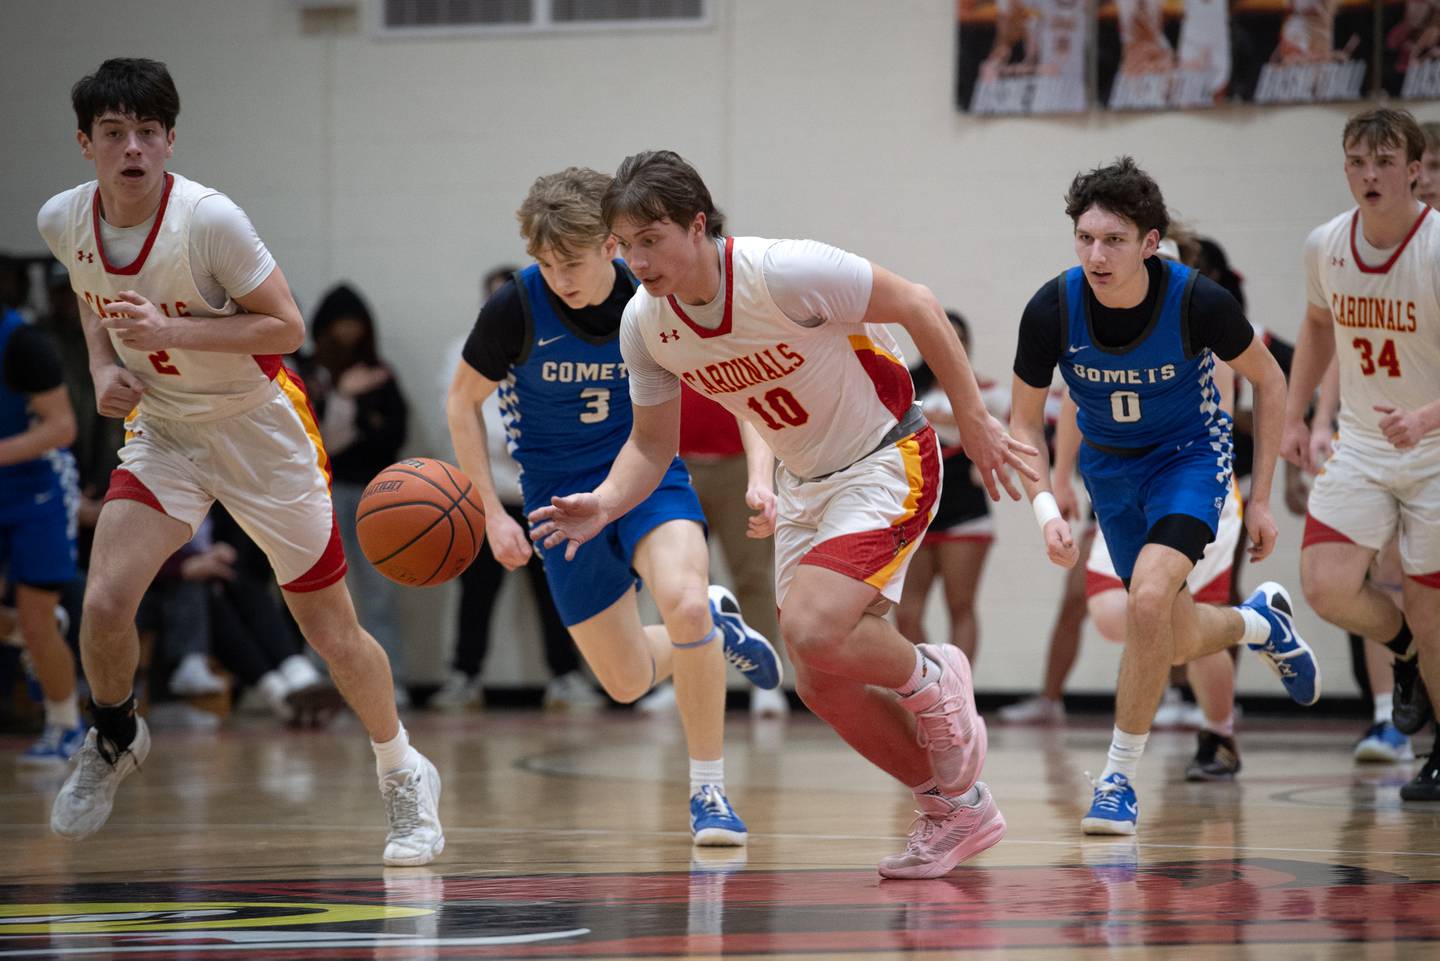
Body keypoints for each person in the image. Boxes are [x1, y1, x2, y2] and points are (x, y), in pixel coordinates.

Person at [530, 150, 1037, 879]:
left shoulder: (784, 271)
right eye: (626, 244)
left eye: (652, 239)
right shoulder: (645, 324)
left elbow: (921, 304)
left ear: (697, 226)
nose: (637, 259)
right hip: (805, 483)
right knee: (818, 677)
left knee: (810, 626)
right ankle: (953, 808)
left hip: (884, 454)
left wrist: (977, 424)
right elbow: (650, 444)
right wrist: (605, 502)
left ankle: (932, 674)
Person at [36, 58, 441, 864]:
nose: (133, 149)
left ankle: (402, 767)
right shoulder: (63, 219)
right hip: (167, 431)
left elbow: (287, 327)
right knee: (107, 599)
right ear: (86, 144)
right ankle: (115, 734)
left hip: (262, 431)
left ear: (170, 138)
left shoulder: (209, 221)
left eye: (148, 132)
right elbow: (92, 299)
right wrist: (104, 368)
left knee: (331, 632)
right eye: (114, 133)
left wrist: (170, 334)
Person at [445, 166, 781, 846]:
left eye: (569, 260)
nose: (557, 275)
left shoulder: (651, 293)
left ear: (609, 245)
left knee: (682, 601)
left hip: (647, 475)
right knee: (625, 681)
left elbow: (743, 377)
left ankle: (709, 791)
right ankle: (715, 627)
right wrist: (491, 511)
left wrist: (762, 473)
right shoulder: (516, 307)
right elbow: (461, 401)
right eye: (544, 261)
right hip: (557, 500)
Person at [1009, 156, 1320, 837]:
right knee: (1165, 628)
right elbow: (1025, 420)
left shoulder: (1197, 300)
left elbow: (1270, 383)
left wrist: (1261, 497)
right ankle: (1259, 624)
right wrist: (1046, 506)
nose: (1097, 253)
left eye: (1114, 239)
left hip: (1189, 462)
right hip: (1111, 475)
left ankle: (1117, 779)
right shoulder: (1053, 308)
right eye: (1086, 237)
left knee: (1148, 598)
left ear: (1151, 242)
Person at [1279, 108, 1440, 801]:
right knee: (1324, 583)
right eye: (1356, 161)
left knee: (1436, 613)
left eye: (1383, 162)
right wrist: (1297, 414)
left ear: (1415, 169)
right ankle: (1405, 655)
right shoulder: (1326, 244)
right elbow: (1318, 326)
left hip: (1434, 447)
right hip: (1365, 443)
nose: (1368, 175)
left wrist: (1427, 416)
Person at [431, 264, 599, 713]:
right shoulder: (462, 352)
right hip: (486, 495)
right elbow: (465, 418)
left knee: (555, 592)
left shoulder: (553, 345)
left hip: (543, 494)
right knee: (476, 594)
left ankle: (566, 677)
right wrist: (520, 440)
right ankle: (464, 677)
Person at [292, 283, 410, 704]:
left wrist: (367, 428)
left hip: (376, 494)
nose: (348, 334)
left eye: (355, 325)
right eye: (339, 325)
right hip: (317, 494)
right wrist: (347, 401)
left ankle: (391, 683)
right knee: (320, 591)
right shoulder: (304, 374)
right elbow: (314, 443)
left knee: (379, 591)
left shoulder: (381, 373)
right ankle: (320, 684)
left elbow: (393, 436)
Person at [895, 310, 1003, 666]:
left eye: (959, 338)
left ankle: (962, 696)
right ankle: (935, 684)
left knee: (961, 605)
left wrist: (992, 460)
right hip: (916, 511)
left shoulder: (983, 391)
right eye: (942, 336)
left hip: (966, 512)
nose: (950, 344)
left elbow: (1022, 426)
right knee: (906, 614)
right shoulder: (907, 385)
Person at [1, 301, 83, 765]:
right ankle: (34, 632)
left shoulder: (23, 343)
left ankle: (65, 724)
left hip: (38, 493)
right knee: (30, 627)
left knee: (35, 621)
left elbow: (63, 426)